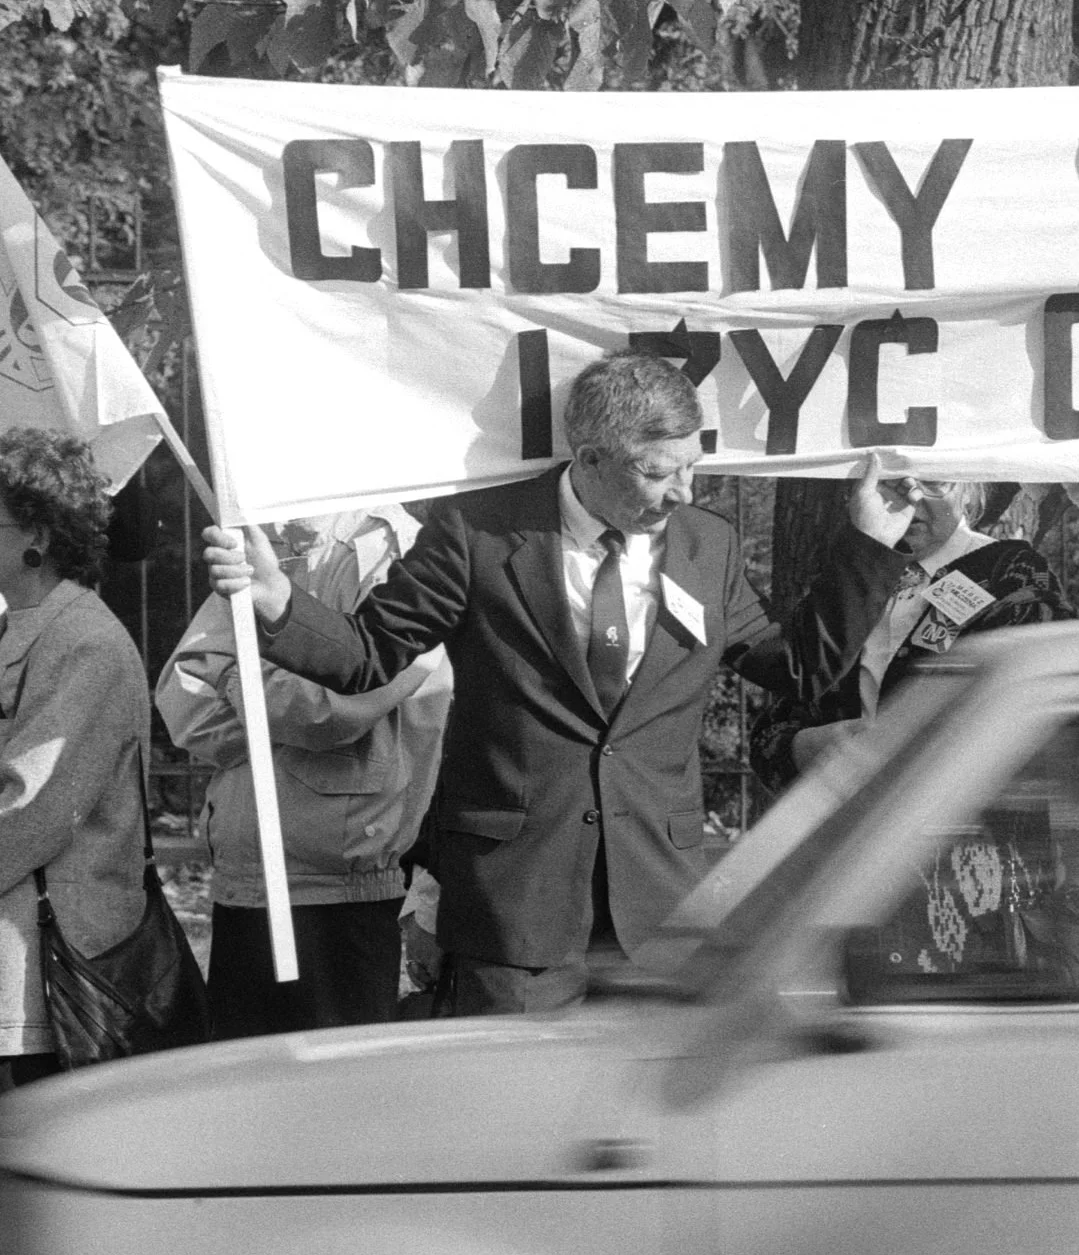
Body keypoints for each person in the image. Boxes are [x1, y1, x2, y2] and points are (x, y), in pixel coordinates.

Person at [203, 351, 794, 1014]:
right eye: (659, 473)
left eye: (694, 465)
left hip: (658, 909)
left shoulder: (705, 542)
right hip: (516, 910)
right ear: (592, 458)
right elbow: (372, 652)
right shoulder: (476, 530)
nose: (684, 491)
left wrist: (874, 556)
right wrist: (281, 604)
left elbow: (785, 664)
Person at [157, 503, 452, 1036]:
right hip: (245, 886)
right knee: (246, 1103)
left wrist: (234, 676)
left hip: (341, 893)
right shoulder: (265, 543)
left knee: (336, 1103)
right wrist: (264, 703)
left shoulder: (398, 551)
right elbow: (183, 703)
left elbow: (331, 712)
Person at [752, 455, 1069, 790]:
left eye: (933, 482)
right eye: (891, 481)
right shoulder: (852, 577)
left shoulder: (1013, 576)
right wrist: (811, 745)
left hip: (958, 827)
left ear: (969, 490)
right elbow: (772, 735)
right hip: (857, 824)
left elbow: (1023, 729)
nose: (912, 497)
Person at [0, 429, 150, 1087]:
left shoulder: (86, 642)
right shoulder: (26, 628)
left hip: (51, 978)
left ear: (33, 532)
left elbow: (32, 808)